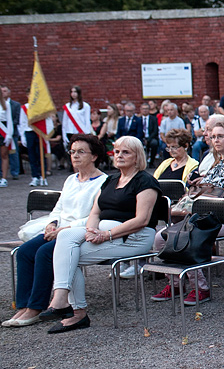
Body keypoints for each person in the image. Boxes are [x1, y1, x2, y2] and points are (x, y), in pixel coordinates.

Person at [40, 135, 162, 332]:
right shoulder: (111, 179)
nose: (119, 155)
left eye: (126, 152)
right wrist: (90, 230)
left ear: (137, 156)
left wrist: (107, 234)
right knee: (65, 238)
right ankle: (62, 299)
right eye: (117, 151)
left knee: (71, 257)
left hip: (134, 236)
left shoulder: (145, 181)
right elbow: (95, 212)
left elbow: (142, 220)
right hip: (104, 229)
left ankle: (76, 312)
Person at [150, 118, 224, 304]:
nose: (216, 140)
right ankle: (176, 283)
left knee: (188, 237)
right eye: (213, 136)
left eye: (220, 136)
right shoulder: (216, 164)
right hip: (204, 216)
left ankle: (200, 287)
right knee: (161, 237)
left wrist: (223, 205)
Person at [3, 135, 107, 327]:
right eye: (72, 152)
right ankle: (24, 305)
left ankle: (36, 308)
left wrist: (63, 230)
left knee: (44, 253)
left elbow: (95, 216)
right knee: (25, 252)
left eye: (81, 152)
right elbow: (59, 208)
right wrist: (51, 223)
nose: (75, 156)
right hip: (58, 228)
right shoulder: (70, 179)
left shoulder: (102, 182)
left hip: (78, 232)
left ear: (94, 156)